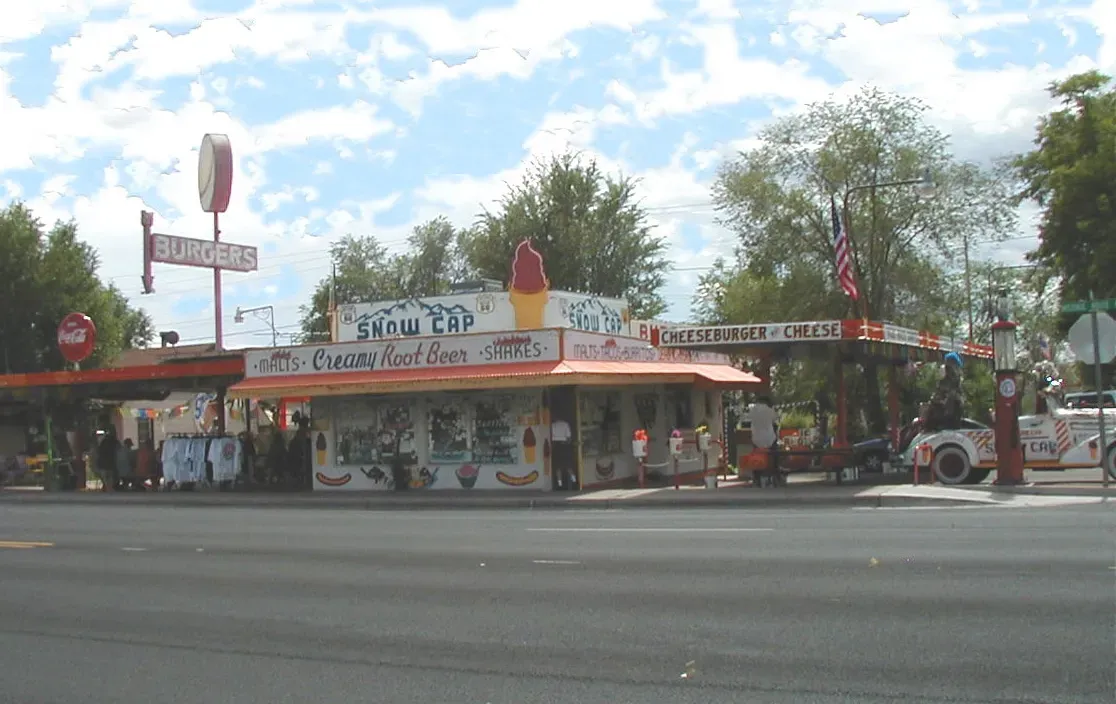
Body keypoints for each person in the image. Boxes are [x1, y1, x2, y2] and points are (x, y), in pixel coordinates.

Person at [749, 395, 779, 486]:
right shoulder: (770, 410)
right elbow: (775, 420)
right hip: (769, 439)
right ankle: (775, 475)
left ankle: (756, 477)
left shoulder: (752, 411)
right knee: (774, 456)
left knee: (756, 458)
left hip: (756, 440)